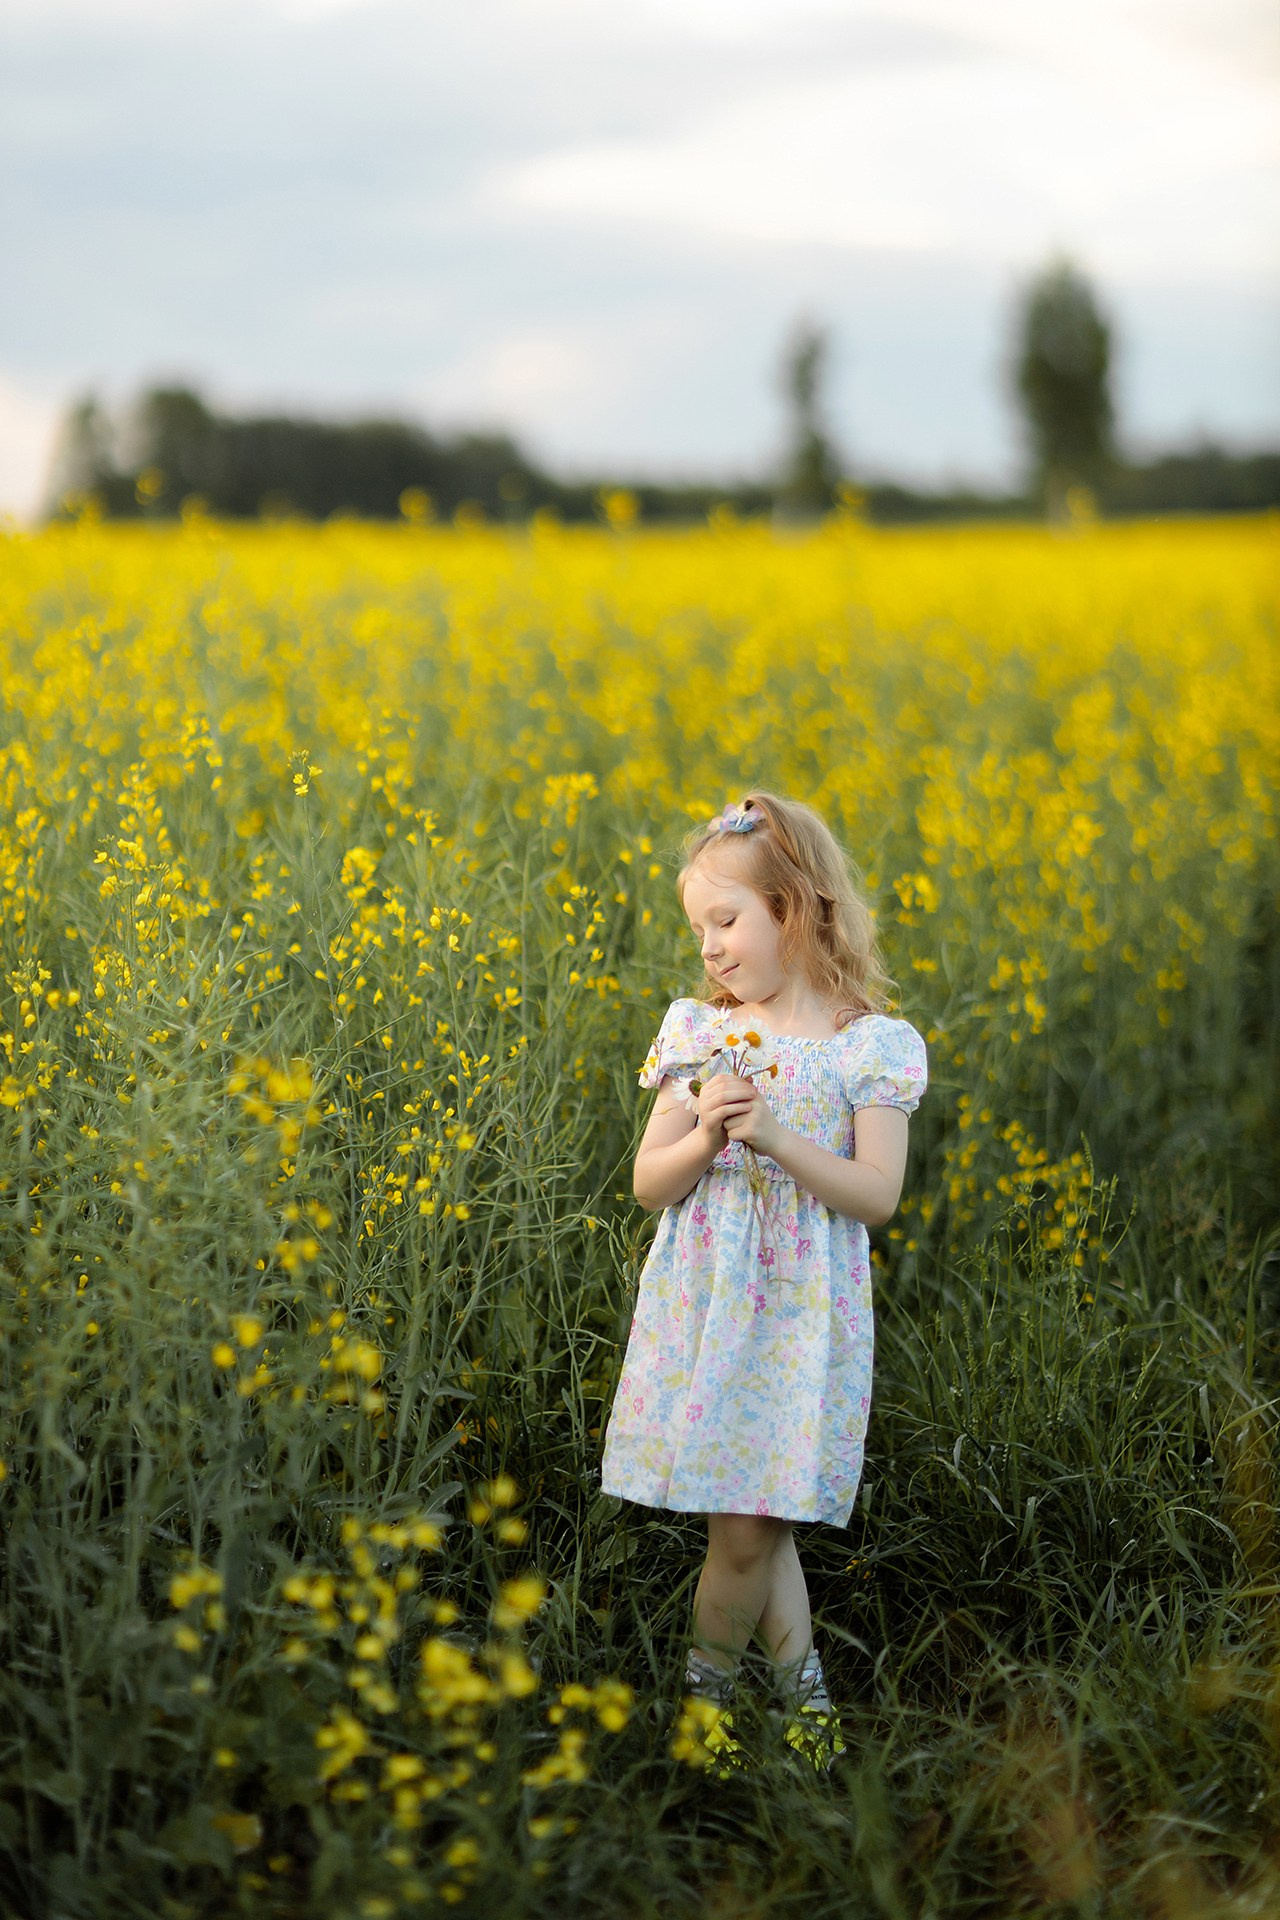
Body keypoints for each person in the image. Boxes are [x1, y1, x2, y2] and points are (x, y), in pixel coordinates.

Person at [600, 790, 927, 1770]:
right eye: (698, 928)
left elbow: (876, 1195)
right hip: (707, 1310)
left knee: (754, 1524)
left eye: (725, 920)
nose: (708, 947)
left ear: (794, 909)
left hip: (795, 1320)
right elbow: (648, 1184)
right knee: (752, 1524)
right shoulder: (700, 1033)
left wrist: (775, 1135)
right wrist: (704, 1134)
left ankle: (708, 1720)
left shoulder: (867, 1045)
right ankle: (803, 1721)